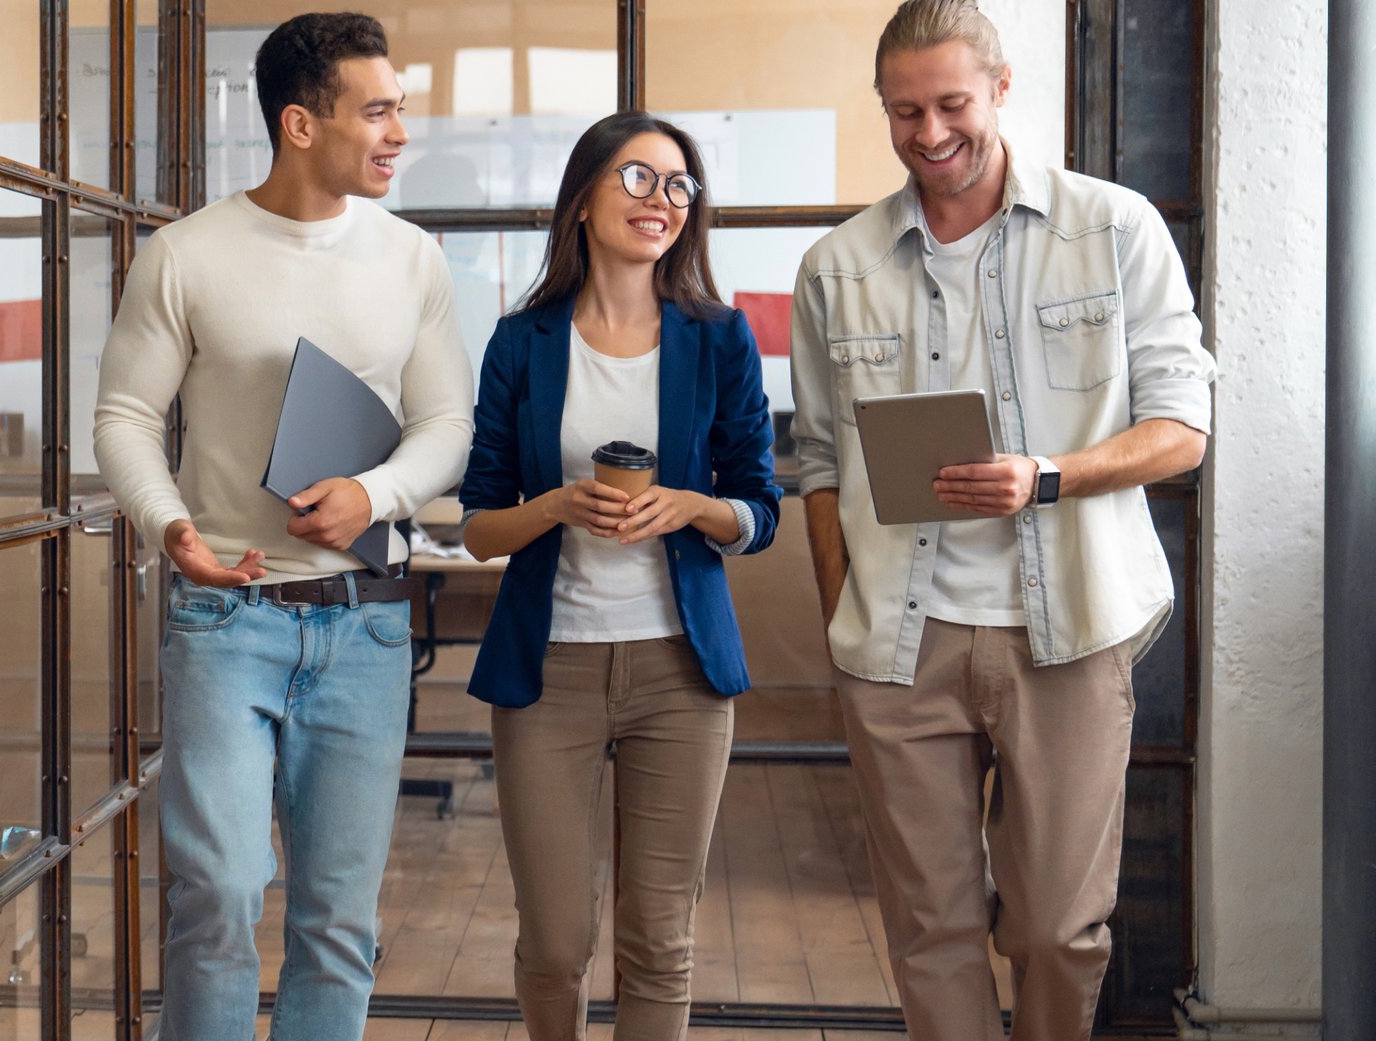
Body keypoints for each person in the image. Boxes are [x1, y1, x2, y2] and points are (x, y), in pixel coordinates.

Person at [788, 3, 1216, 1038]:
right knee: (925, 929)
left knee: (1056, 931)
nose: (927, 134)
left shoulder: (1111, 229)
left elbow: (1181, 431)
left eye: (948, 105)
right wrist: (843, 605)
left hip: (1064, 632)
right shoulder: (834, 266)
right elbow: (814, 459)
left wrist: (1048, 475)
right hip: (896, 641)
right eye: (901, 112)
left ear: (998, 89)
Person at [92, 13, 473, 1041]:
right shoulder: (184, 255)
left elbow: (447, 426)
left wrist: (377, 492)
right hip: (227, 621)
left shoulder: (411, 259)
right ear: (300, 123)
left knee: (336, 921)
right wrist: (170, 528)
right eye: (379, 110)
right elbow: (124, 419)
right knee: (213, 896)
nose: (399, 132)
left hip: (367, 624)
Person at [457, 112, 781, 1041]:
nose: (662, 201)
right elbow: (479, 527)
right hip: (546, 670)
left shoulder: (721, 340)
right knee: (556, 941)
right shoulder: (521, 343)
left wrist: (691, 507)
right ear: (585, 194)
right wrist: (555, 506)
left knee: (659, 938)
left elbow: (760, 511)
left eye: (679, 185)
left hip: (681, 673)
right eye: (639, 179)